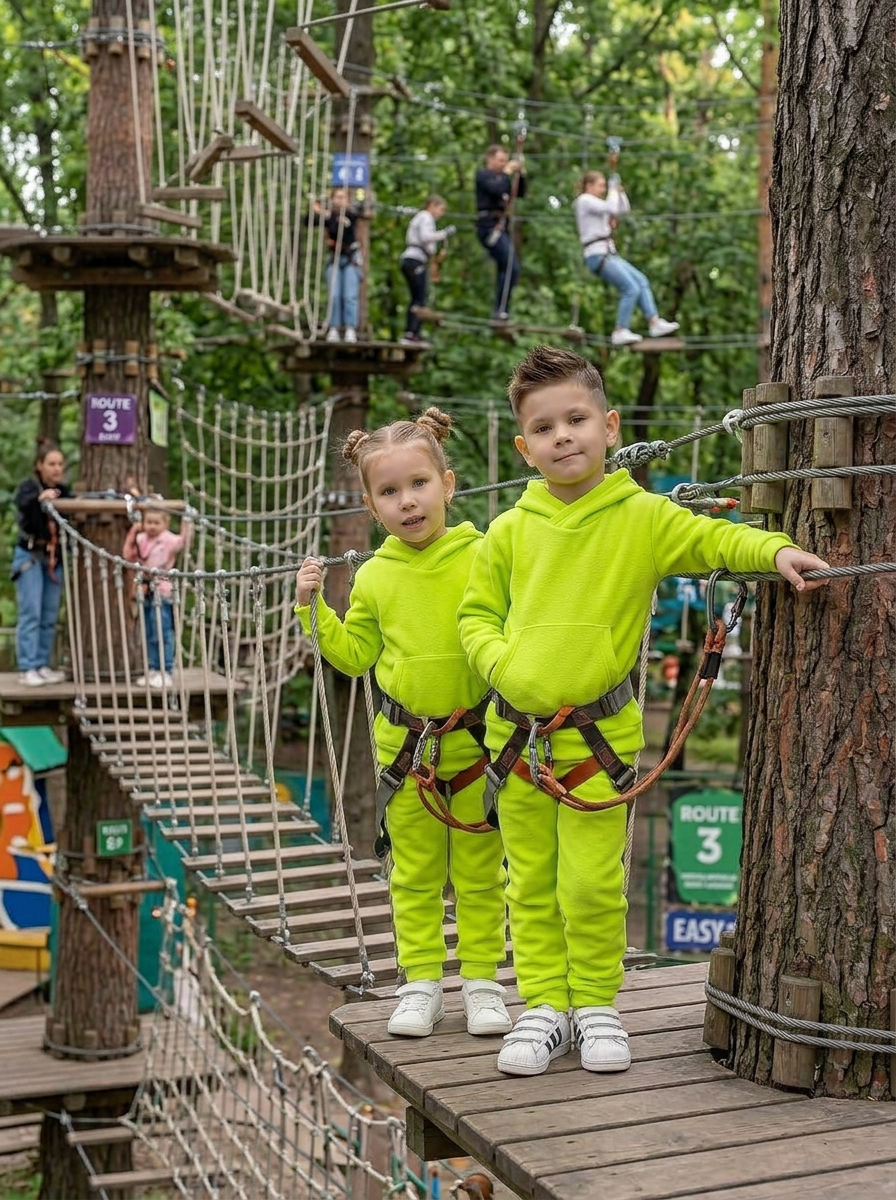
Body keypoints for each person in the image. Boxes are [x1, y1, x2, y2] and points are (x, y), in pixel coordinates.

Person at [457, 345, 830, 1077]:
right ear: (522, 447)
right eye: (545, 427)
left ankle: (596, 1003)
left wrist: (776, 550)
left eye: (576, 419)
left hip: (597, 739)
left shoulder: (640, 518)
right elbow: (476, 618)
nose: (563, 436)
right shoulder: (507, 531)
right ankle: (544, 1006)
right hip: (516, 740)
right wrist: (504, 666)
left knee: (592, 882)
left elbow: (711, 538)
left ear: (609, 426)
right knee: (527, 880)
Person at [294, 410, 511, 1040]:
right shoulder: (376, 576)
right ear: (370, 504)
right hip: (406, 753)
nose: (407, 502)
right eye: (389, 492)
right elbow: (356, 654)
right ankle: (419, 982)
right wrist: (315, 611)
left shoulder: (485, 554)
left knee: (479, 870)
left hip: (478, 744)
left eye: (418, 484)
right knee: (412, 873)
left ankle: (481, 983)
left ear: (448, 483)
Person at [573, 170, 680, 347]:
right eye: (601, 186)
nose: (604, 189)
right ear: (588, 186)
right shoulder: (584, 201)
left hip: (609, 253)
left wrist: (620, 192)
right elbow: (612, 208)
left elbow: (623, 209)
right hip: (597, 254)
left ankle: (654, 322)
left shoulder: (599, 203)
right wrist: (613, 191)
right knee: (630, 288)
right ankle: (620, 330)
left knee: (641, 280)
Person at [11, 438, 71, 687]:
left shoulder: (63, 493)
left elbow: (73, 506)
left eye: (60, 464)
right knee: (31, 613)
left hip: (52, 560)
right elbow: (22, 504)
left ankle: (42, 663)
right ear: (40, 466)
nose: (57, 469)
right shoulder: (29, 488)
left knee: (48, 615)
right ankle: (28, 667)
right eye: (51, 464)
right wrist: (40, 499)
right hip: (30, 558)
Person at [123, 503, 192, 688]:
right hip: (145, 590)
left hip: (162, 590)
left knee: (162, 629)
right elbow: (127, 555)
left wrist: (186, 520)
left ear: (165, 523)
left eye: (156, 523)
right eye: (148, 522)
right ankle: (154, 668)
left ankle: (166, 670)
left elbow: (183, 541)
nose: (152, 526)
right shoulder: (141, 538)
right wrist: (133, 531)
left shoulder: (168, 539)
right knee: (149, 630)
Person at [475, 144, 527, 322]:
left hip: (500, 227)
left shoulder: (502, 179)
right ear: (490, 159)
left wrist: (521, 174)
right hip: (488, 226)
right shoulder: (483, 175)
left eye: (505, 160)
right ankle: (500, 309)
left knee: (507, 268)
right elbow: (496, 189)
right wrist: (507, 171)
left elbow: (520, 193)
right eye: (500, 160)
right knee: (512, 265)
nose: (503, 163)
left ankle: (501, 310)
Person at [399, 195, 456, 346]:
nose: (441, 213)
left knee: (416, 297)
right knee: (420, 298)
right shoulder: (425, 217)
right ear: (432, 205)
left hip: (414, 259)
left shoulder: (420, 217)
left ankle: (412, 332)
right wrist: (444, 234)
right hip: (415, 259)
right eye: (440, 209)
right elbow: (425, 237)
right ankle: (412, 333)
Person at [315, 187, 362, 343]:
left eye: (343, 198)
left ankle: (350, 328)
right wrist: (316, 208)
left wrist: (327, 215)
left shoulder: (351, 215)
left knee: (349, 296)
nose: (340, 201)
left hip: (350, 259)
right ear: (332, 200)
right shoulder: (329, 217)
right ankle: (334, 328)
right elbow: (308, 220)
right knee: (334, 296)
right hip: (335, 258)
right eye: (337, 197)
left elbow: (345, 228)